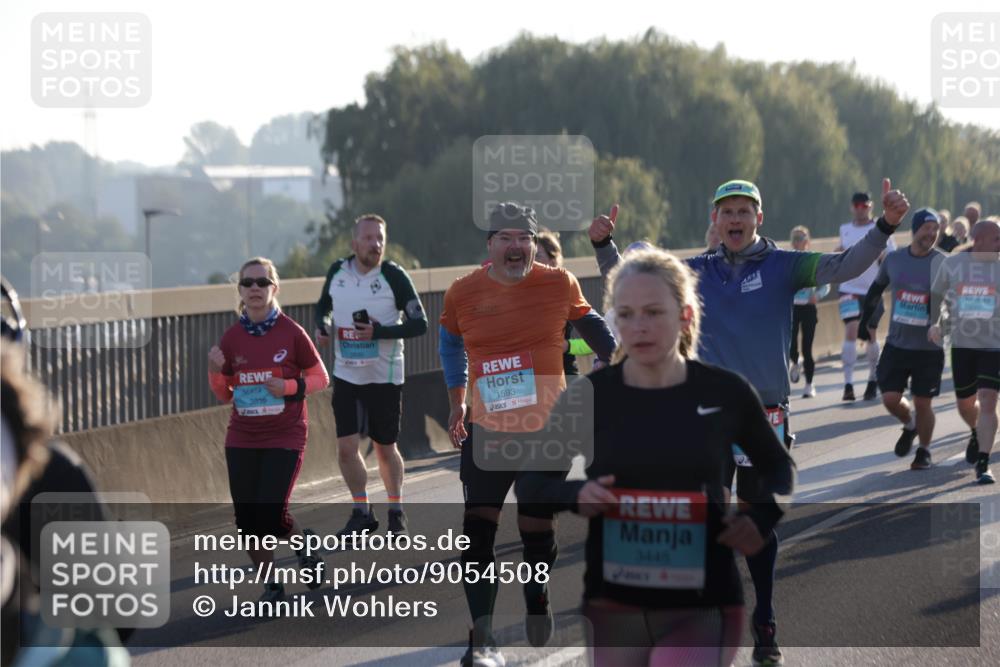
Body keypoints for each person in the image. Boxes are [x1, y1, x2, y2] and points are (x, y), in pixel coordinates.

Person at [589, 177, 910, 665]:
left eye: (744, 211)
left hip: (766, 413)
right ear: (715, 221)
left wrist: (885, 225)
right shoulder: (694, 271)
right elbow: (633, 283)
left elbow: (846, 266)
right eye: (727, 212)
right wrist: (602, 245)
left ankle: (765, 618)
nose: (735, 219)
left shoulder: (784, 265)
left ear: (759, 218)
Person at [516, 248, 795, 667]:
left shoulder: (724, 392)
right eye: (625, 315)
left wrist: (761, 516)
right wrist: (577, 493)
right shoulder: (589, 397)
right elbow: (533, 483)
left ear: (684, 315)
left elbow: (777, 466)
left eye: (653, 312)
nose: (638, 327)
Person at [439, 202, 616, 667]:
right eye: (506, 238)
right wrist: (457, 396)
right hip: (488, 429)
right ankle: (482, 642)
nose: (516, 247)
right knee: (477, 533)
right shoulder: (462, 292)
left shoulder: (559, 283)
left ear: (535, 245)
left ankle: (536, 585)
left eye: (525, 239)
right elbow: (449, 340)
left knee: (536, 530)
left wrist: (627, 361)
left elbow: (595, 328)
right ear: (490, 244)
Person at [208, 257, 330, 602]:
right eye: (248, 283)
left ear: (274, 287)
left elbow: (321, 378)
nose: (255, 289)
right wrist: (214, 369)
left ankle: (304, 544)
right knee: (247, 521)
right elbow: (222, 393)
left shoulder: (291, 332)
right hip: (242, 436)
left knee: (271, 513)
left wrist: (289, 387)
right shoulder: (231, 337)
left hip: (285, 434)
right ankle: (272, 584)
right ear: (241, 291)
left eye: (262, 282)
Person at [314, 214, 428, 539]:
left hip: (384, 375)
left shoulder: (393, 275)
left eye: (380, 238)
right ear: (354, 243)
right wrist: (322, 326)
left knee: (384, 446)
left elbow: (421, 324)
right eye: (368, 238)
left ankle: (396, 509)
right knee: (346, 449)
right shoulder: (338, 271)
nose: (375, 244)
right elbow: (322, 305)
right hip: (347, 374)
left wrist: (380, 332)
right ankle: (361, 511)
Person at [858, 209, 946, 469]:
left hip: (929, 348)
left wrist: (939, 324)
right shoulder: (894, 259)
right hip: (897, 344)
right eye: (926, 228)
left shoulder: (943, 262)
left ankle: (925, 450)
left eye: (935, 230)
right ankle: (910, 426)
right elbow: (875, 290)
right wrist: (866, 323)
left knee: (922, 401)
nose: (931, 234)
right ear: (914, 230)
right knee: (890, 399)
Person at [929, 218, 1000, 485]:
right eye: (997, 239)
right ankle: (976, 430)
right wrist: (935, 324)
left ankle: (983, 462)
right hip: (962, 345)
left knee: (988, 399)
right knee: (965, 404)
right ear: (979, 240)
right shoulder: (953, 264)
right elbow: (936, 296)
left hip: (994, 345)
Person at [837, 191, 897, 402]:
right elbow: (841, 252)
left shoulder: (880, 228)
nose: (861, 209)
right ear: (852, 207)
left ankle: (873, 379)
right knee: (851, 330)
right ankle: (848, 384)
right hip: (849, 288)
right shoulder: (844, 229)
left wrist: (882, 257)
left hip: (873, 289)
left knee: (871, 332)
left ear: (870, 206)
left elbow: (892, 256)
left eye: (864, 205)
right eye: (857, 205)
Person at [788, 227, 830, 398]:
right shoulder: (788, 260)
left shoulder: (813, 259)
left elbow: (826, 284)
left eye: (801, 238)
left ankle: (809, 384)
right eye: (795, 238)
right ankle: (795, 361)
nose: (798, 241)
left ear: (807, 241)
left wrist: (818, 295)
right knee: (790, 346)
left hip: (808, 308)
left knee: (807, 347)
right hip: (792, 307)